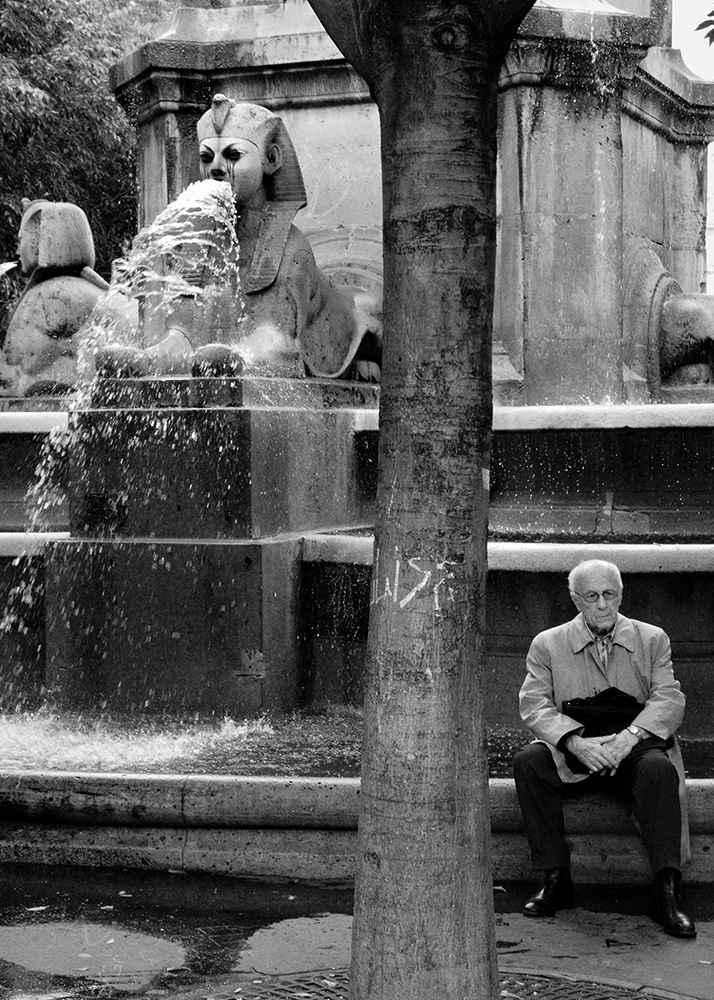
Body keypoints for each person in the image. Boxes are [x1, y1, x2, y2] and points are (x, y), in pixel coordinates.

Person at [98, 95, 381, 381]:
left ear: (271, 159)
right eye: (207, 158)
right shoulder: (196, 247)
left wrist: (239, 357)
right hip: (226, 350)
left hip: (345, 318)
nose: (216, 167)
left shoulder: (292, 250)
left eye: (233, 156)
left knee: (371, 310)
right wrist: (151, 361)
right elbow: (183, 334)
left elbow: (276, 340)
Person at [513, 559, 696, 938]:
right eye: (591, 596)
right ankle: (555, 879)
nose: (601, 605)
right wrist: (575, 743)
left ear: (621, 595)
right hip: (577, 746)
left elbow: (668, 699)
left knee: (660, 770)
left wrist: (629, 738)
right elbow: (535, 705)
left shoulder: (652, 639)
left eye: (609, 595)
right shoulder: (547, 643)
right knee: (529, 762)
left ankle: (666, 891)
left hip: (632, 744)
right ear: (575, 599)